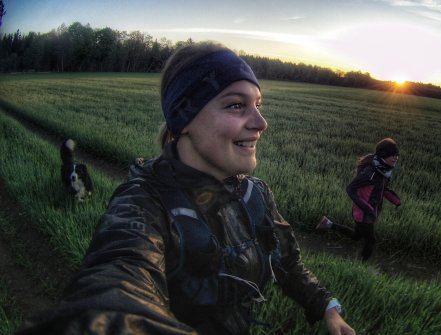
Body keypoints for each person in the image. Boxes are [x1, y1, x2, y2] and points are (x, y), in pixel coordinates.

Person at [18, 43, 354, 335]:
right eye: (236, 105)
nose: (260, 122)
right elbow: (120, 273)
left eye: (258, 104)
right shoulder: (144, 202)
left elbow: (286, 261)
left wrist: (326, 307)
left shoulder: (256, 195)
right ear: (184, 120)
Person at [316, 138, 401, 261]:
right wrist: (366, 207)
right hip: (363, 214)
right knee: (371, 241)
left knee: (356, 236)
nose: (395, 158)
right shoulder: (370, 173)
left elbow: (383, 189)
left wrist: (396, 200)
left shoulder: (383, 171)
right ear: (383, 155)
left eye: (397, 155)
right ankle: (362, 268)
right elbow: (350, 188)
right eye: (392, 155)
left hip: (370, 212)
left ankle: (327, 224)